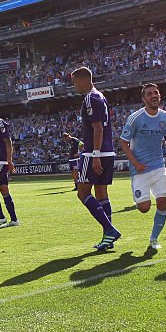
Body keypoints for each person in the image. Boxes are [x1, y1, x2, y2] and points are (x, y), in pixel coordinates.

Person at [119, 83, 166, 252]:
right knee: (144, 208)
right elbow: (123, 143)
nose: (154, 95)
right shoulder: (135, 118)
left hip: (159, 166)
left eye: (156, 93)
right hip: (139, 170)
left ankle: (154, 238)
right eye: (149, 94)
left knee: (162, 203)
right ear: (144, 99)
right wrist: (136, 163)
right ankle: (148, 195)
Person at [70, 67, 121, 252]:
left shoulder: (90, 98)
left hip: (94, 153)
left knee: (83, 193)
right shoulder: (101, 96)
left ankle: (109, 229)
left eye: (74, 81)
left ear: (83, 80)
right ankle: (108, 238)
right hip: (107, 151)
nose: (74, 85)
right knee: (101, 193)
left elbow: (97, 128)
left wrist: (95, 154)